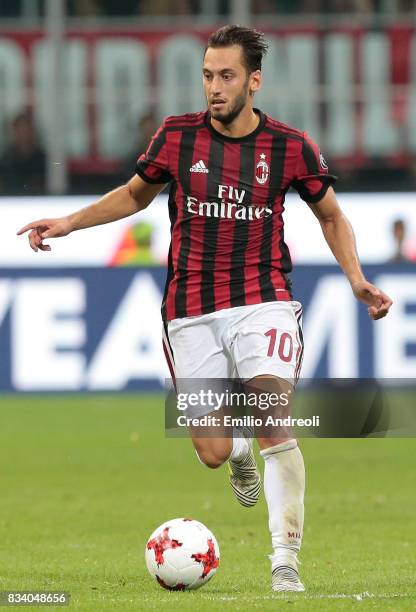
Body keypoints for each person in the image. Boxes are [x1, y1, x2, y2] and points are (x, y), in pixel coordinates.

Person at [17, 25, 393, 592]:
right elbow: (135, 193)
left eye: (226, 76)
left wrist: (358, 280)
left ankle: (284, 562)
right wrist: (69, 222)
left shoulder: (291, 147)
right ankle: (237, 448)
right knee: (215, 451)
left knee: (272, 412)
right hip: (189, 308)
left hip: (262, 298)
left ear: (254, 81)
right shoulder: (176, 137)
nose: (214, 88)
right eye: (207, 76)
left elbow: (332, 216)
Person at [0, 110, 46, 195]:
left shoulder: (42, 158)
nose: (23, 133)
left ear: (32, 131)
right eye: (20, 129)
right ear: (14, 131)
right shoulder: (6, 158)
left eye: (26, 129)